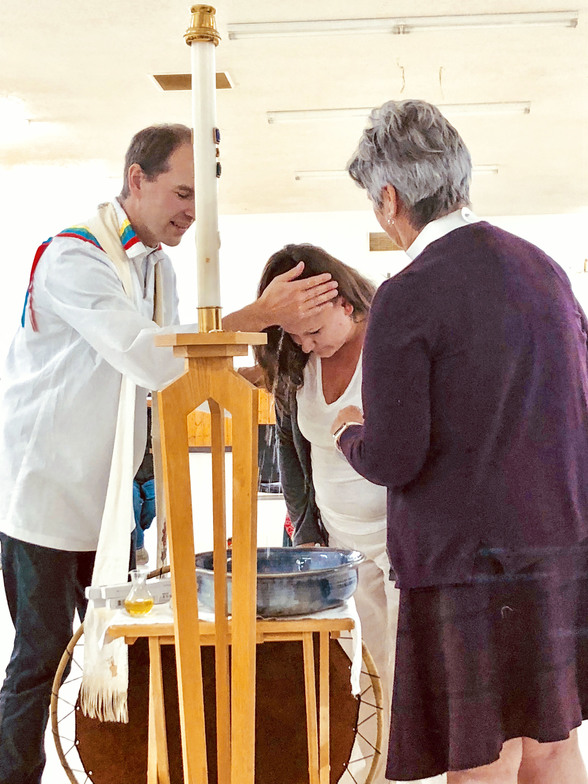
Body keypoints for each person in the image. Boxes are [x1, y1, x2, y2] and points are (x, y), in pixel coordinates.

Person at [0, 123, 338, 784]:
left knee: (115, 654)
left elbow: (183, 374)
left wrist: (278, 382)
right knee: (42, 659)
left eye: (201, 200)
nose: (190, 212)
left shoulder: (156, 267)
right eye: (182, 193)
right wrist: (252, 315)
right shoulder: (75, 256)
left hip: (113, 498)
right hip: (44, 496)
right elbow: (148, 353)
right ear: (136, 178)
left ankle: (121, 769)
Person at [331, 98, 588, 784]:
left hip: (464, 563)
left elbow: (396, 455)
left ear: (389, 198)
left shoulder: (409, 293)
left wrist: (351, 431)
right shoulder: (547, 273)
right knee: (552, 742)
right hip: (558, 544)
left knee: (483, 758)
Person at [254, 243, 426, 784]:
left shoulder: (390, 344)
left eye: (311, 329)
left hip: (402, 541)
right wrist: (307, 532)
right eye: (294, 334)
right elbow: (293, 455)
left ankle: (407, 771)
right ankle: (374, 769)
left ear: (343, 301)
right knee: (370, 668)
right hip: (341, 546)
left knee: (407, 671)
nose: (306, 344)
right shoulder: (296, 363)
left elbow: (413, 446)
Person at [133, 404, 156, 566]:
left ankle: (139, 532)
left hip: (153, 470)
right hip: (132, 472)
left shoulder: (156, 411)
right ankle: (138, 545)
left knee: (153, 506)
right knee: (132, 502)